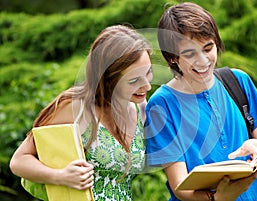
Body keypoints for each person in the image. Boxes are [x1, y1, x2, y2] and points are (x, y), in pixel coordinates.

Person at [145, 2, 257, 201]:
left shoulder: (238, 81)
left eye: (208, 48)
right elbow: (180, 185)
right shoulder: (162, 105)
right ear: (172, 57)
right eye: (189, 54)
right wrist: (218, 199)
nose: (203, 60)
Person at [10, 24, 153, 201]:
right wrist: (61, 176)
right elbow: (19, 161)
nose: (146, 85)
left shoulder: (139, 107)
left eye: (148, 72)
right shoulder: (75, 107)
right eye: (134, 80)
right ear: (108, 77)